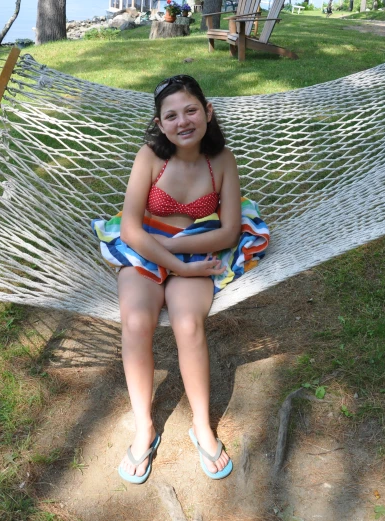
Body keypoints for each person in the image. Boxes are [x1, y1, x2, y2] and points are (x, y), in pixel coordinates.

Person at [91, 75, 269, 484]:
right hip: (147, 247)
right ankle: (144, 428)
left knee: (189, 324)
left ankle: (202, 426)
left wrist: (186, 262)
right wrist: (177, 264)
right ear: (159, 123)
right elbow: (133, 229)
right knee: (137, 322)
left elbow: (227, 232)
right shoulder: (150, 158)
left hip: (197, 245)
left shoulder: (221, 159)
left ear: (207, 112)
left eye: (190, 110)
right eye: (171, 115)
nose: (182, 121)